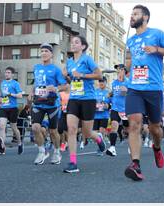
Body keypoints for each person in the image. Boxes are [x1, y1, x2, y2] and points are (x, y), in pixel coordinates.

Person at [124, 5, 164, 181]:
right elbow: (130, 61)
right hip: (134, 88)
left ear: (145, 17)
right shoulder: (131, 41)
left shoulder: (157, 34)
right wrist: (126, 68)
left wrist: (157, 49)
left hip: (153, 88)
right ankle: (135, 164)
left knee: (156, 129)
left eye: (135, 14)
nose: (132, 17)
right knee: (134, 123)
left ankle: (157, 148)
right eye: (131, 14)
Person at [62, 35, 106, 173]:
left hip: (88, 99)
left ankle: (98, 138)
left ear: (83, 46)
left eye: (77, 42)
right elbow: (72, 80)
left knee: (87, 133)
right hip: (74, 98)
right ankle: (73, 162)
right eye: (72, 42)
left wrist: (82, 75)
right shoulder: (69, 62)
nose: (73, 44)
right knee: (72, 129)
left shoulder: (87, 59)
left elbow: (99, 75)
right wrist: (66, 76)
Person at [31, 43, 68, 165]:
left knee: (53, 131)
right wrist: (31, 93)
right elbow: (36, 83)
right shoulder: (36, 68)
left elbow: (65, 86)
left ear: (51, 54)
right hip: (38, 103)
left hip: (52, 104)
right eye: (41, 51)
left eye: (46, 51)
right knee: (35, 127)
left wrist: (56, 88)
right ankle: (42, 151)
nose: (43, 53)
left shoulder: (56, 69)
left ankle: (57, 152)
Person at [0, 67, 23, 154]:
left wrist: (10, 94)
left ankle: (19, 143)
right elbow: (1, 94)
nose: (6, 74)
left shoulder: (15, 83)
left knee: (14, 128)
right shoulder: (3, 83)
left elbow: (20, 96)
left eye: (8, 73)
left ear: (12, 74)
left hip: (13, 108)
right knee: (2, 126)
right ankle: (2, 147)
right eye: (6, 72)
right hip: (4, 108)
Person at [106, 65, 128, 157]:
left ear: (124, 71)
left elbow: (125, 94)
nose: (118, 71)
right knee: (114, 125)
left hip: (126, 109)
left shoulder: (128, 82)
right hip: (115, 108)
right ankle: (112, 147)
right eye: (117, 69)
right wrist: (110, 94)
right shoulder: (114, 82)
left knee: (128, 129)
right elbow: (115, 92)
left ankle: (131, 145)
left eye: (120, 69)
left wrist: (124, 91)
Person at [58, 86, 70, 152]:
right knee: (60, 128)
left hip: (70, 112)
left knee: (66, 130)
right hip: (62, 112)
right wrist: (60, 105)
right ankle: (63, 143)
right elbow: (58, 101)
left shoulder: (72, 94)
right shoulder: (61, 93)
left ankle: (66, 143)